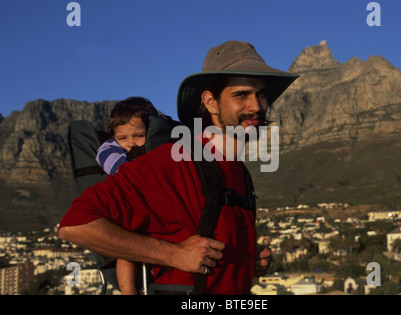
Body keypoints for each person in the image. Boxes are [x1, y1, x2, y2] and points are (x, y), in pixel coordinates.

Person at [59, 40, 299, 295]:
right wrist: (174, 254)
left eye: (261, 94)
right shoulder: (173, 160)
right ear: (211, 102)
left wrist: (247, 260)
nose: (256, 106)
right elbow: (75, 225)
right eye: (241, 94)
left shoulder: (241, 174)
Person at [95, 97, 156, 295]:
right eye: (123, 138)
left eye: (139, 136)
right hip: (131, 215)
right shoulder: (109, 149)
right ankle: (128, 291)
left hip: (156, 213)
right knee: (128, 253)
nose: (130, 143)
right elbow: (120, 171)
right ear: (114, 137)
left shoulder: (159, 145)